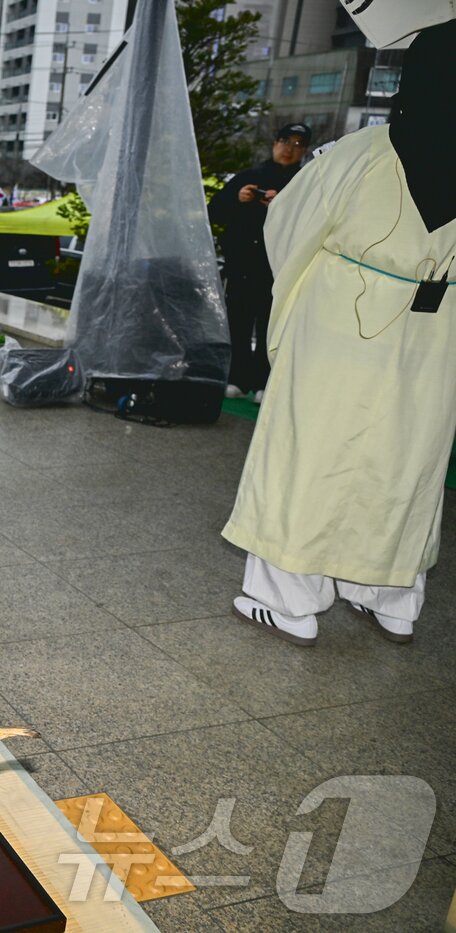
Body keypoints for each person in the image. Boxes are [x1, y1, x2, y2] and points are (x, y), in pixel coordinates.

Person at [222, 23, 456, 648]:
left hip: (340, 324)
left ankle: (288, 603)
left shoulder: (366, 151)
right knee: (404, 463)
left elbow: (288, 229)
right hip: (436, 334)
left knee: (310, 455)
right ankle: (392, 601)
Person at [208, 123, 310, 401]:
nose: (289, 149)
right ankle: (237, 378)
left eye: (298, 144)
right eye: (285, 141)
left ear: (305, 150)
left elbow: (311, 224)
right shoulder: (249, 176)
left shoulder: (304, 183)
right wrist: (238, 198)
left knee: (271, 326)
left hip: (278, 269)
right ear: (275, 143)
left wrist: (281, 207)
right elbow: (214, 212)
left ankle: (264, 382)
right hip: (242, 264)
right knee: (238, 323)